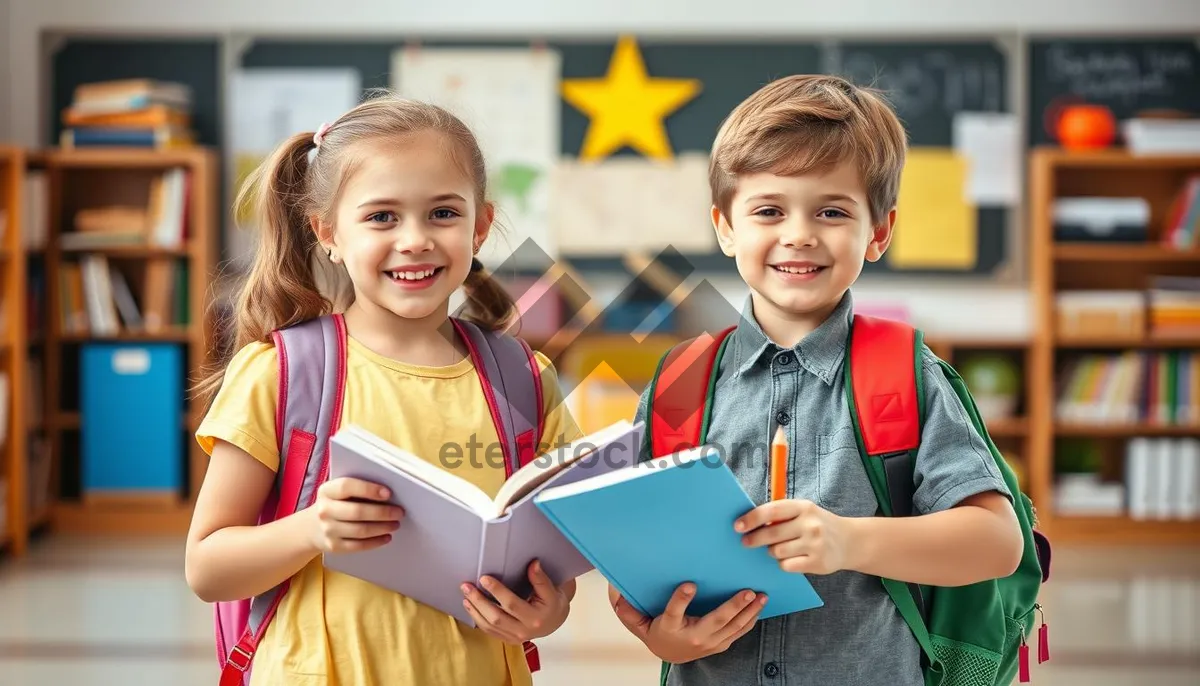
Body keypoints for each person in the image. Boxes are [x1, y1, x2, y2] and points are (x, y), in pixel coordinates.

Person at [609, 74, 1025, 685]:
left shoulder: (909, 377)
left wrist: (850, 541)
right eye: (768, 210)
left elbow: (996, 542)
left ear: (878, 231)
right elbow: (636, 557)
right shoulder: (679, 382)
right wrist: (659, 634)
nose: (798, 233)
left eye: (831, 211)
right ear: (725, 227)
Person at [184, 92, 584, 686]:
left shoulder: (525, 380)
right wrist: (311, 529)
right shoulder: (281, 373)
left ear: (481, 228)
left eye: (443, 213)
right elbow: (207, 568)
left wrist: (548, 612)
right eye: (381, 217)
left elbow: (553, 568)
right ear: (328, 233)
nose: (416, 239)